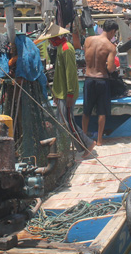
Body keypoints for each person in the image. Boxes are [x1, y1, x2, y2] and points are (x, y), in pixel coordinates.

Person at [37, 23, 95, 158]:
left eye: (51, 39)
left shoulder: (66, 49)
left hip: (67, 93)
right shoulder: (60, 49)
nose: (50, 41)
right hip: (61, 93)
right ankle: (69, 148)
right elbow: (59, 74)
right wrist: (56, 94)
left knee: (68, 123)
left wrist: (69, 93)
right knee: (63, 122)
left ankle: (86, 144)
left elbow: (70, 73)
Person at [82, 19, 119, 146]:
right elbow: (109, 68)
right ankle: (99, 140)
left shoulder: (88, 40)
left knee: (86, 111)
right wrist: (114, 69)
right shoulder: (111, 47)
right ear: (113, 31)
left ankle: (83, 138)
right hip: (102, 80)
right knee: (102, 112)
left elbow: (85, 55)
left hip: (88, 78)